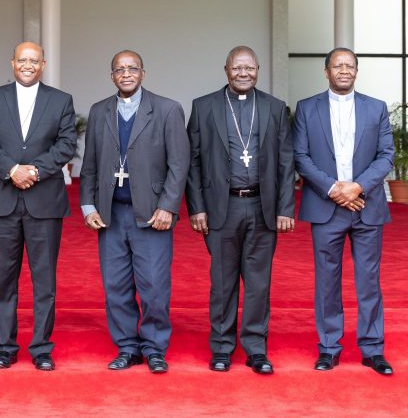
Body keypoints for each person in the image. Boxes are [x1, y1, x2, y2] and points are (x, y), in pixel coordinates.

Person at [186, 45, 295, 374]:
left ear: (258, 70)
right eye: (237, 68)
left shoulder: (276, 108)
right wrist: (197, 208)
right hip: (223, 207)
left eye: (249, 67)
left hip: (263, 206)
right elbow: (192, 162)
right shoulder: (204, 107)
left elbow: (286, 162)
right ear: (226, 69)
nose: (243, 73)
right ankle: (221, 347)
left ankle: (256, 349)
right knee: (222, 282)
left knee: (259, 283)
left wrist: (285, 208)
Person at [79, 50, 188, 373]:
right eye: (119, 70)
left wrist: (168, 206)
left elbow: (179, 165)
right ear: (112, 75)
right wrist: (88, 206)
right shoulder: (100, 111)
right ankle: (127, 346)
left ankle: (154, 348)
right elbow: (90, 164)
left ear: (143, 72)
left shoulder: (167, 110)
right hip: (111, 215)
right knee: (116, 286)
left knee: (154, 286)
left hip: (152, 214)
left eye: (132, 68)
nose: (126, 74)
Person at [293, 47, 395, 375]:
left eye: (350, 65)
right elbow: (301, 156)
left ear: (356, 71)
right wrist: (336, 189)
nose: (344, 70)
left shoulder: (375, 108)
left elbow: (386, 155)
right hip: (326, 207)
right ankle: (329, 347)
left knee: (368, 281)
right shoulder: (307, 108)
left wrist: (357, 187)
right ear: (326, 72)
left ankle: (372, 348)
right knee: (327, 280)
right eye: (337, 65)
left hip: (367, 206)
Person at [0, 41, 76, 371]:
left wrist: (34, 170)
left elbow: (66, 144)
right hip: (2, 201)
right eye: (23, 60)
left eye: (34, 60)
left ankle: (42, 348)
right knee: (5, 280)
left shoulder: (60, 101)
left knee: (44, 280)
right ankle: (5, 346)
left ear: (43, 64)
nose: (28, 65)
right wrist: (11, 170)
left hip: (44, 201)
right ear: (13, 63)